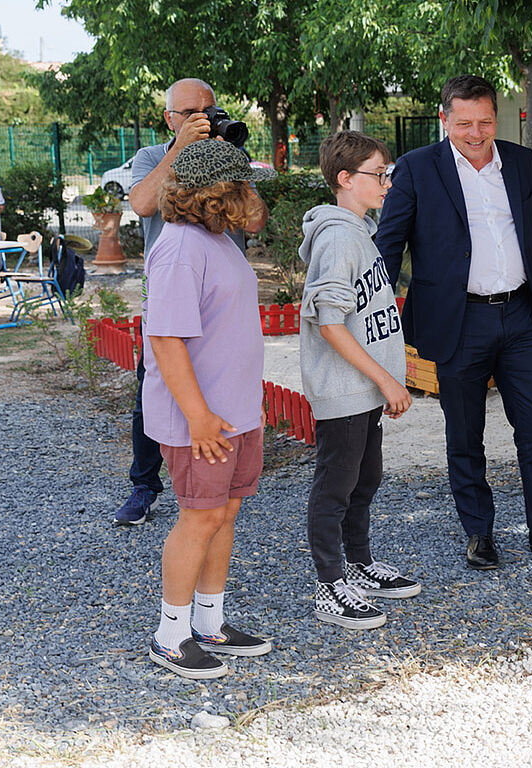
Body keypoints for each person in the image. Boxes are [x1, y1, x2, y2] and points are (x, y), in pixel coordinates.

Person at [375, 74, 532, 569]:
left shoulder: (519, 162)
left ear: (497, 118)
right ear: (445, 120)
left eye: (485, 122)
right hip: (458, 320)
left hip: (521, 314)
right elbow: (389, 244)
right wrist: (374, 308)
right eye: (464, 124)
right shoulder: (416, 169)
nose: (476, 133)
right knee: (464, 432)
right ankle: (480, 533)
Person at [143, 139, 276, 678]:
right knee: (199, 518)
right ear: (220, 193)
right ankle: (170, 636)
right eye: (244, 186)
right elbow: (167, 339)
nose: (252, 198)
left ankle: (209, 622)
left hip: (235, 413)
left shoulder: (217, 240)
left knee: (224, 514)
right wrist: (197, 415)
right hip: (201, 418)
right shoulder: (179, 247)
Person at [113, 77, 269, 526]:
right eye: (191, 113)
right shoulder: (151, 156)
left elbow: (255, 219)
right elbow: (143, 203)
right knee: (156, 385)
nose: (203, 119)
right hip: (174, 291)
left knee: (222, 382)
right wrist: (180, 148)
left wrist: (227, 157)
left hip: (222, 299)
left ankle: (219, 468)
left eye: (209, 109)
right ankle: (144, 484)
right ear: (170, 118)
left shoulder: (228, 150)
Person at [300, 131, 420, 630]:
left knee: (365, 479)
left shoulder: (359, 231)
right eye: (379, 173)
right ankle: (330, 585)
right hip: (343, 389)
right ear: (345, 179)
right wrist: (387, 381)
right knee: (336, 485)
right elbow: (328, 323)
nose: (387, 183)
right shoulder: (337, 237)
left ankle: (360, 565)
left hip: (364, 389)